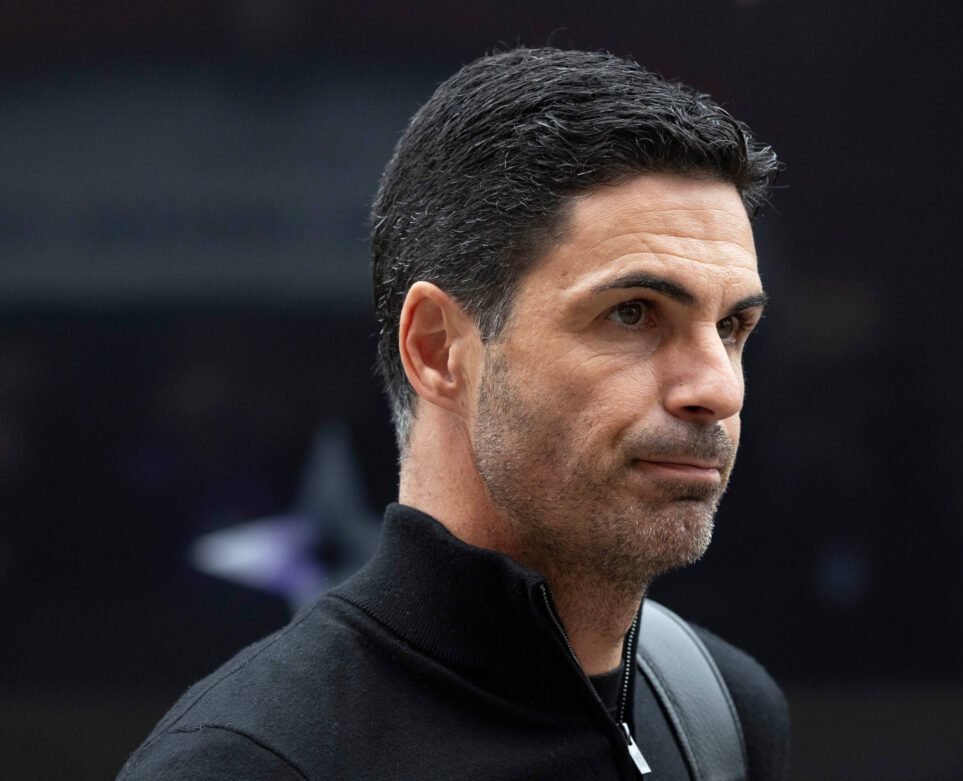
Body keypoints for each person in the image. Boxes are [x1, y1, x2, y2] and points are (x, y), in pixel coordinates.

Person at [119, 47, 788, 780]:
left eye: (732, 327)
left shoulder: (724, 710)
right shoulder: (246, 762)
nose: (718, 388)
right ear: (437, 349)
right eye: (632, 313)